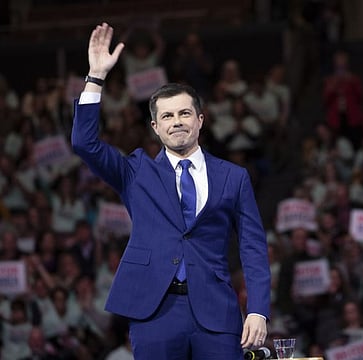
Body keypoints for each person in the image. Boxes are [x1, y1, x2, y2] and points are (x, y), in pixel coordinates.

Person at [71, 23, 270, 360]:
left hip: (216, 312)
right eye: (167, 116)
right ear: (155, 127)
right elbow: (84, 143)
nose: (176, 121)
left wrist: (258, 310)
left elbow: (252, 246)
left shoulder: (233, 177)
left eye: (184, 113)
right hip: (155, 312)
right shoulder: (136, 172)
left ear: (200, 120)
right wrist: (96, 78)